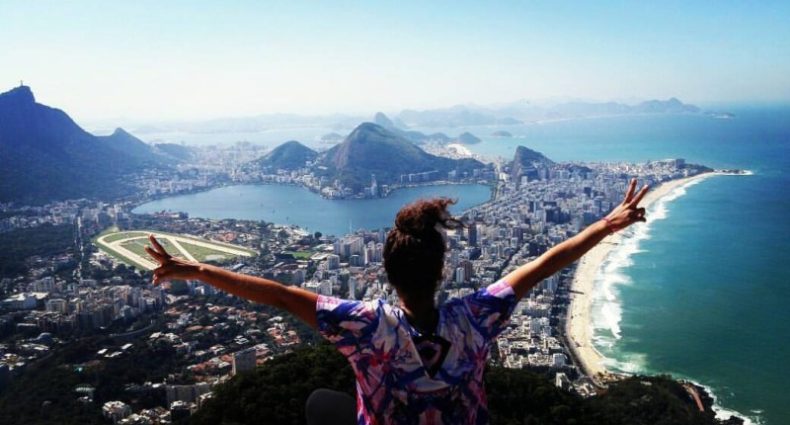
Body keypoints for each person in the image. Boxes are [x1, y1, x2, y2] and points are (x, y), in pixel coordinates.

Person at [145, 178, 649, 425]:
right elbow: (543, 266)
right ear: (442, 271)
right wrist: (607, 224)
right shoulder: (476, 317)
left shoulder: (364, 326)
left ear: (385, 274)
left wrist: (193, 269)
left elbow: (273, 293)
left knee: (321, 404)